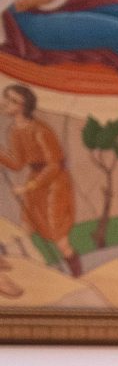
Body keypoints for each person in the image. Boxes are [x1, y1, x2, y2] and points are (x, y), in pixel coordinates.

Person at [0, 85, 79, 276]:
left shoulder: (40, 131)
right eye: (6, 98)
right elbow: (18, 163)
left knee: (58, 235)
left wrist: (29, 186)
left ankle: (77, 275)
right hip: (35, 181)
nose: (5, 103)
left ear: (24, 106)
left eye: (12, 100)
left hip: (54, 184)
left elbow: (54, 165)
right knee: (26, 226)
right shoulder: (15, 130)